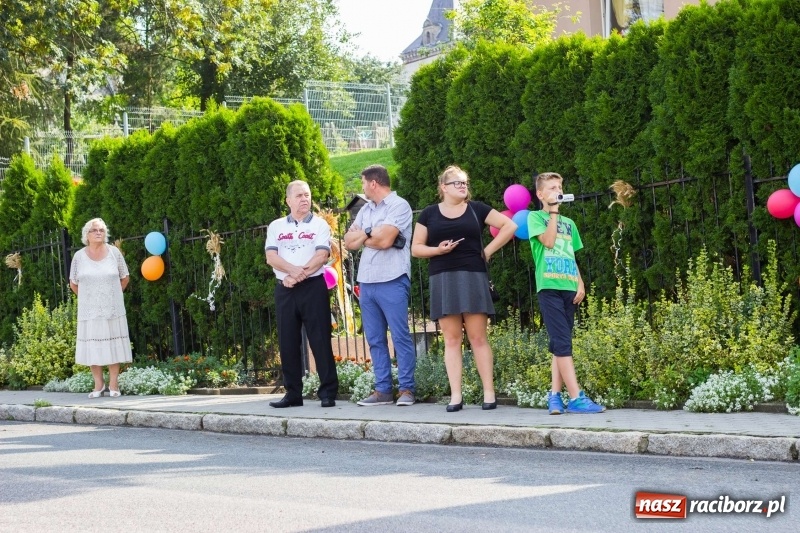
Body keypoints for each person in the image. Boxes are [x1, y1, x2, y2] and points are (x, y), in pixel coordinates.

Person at [411, 165, 517, 412]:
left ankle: (489, 393)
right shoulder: (428, 214)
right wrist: (438, 250)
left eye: (465, 182)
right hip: (442, 277)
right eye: (457, 183)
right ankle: (456, 396)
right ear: (443, 187)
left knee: (478, 337)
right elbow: (416, 248)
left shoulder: (476, 209)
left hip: (473, 275)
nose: (462, 186)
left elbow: (509, 226)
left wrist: (487, 251)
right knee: (451, 339)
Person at [528, 172, 605, 414]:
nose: (557, 190)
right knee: (562, 343)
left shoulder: (569, 224)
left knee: (559, 344)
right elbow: (549, 242)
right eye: (552, 187)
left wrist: (580, 283)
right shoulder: (535, 217)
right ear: (540, 194)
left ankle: (554, 396)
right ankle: (575, 397)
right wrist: (553, 212)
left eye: (559, 186)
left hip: (568, 287)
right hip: (549, 288)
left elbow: (569, 255)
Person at [344, 165, 416, 406]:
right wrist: (369, 233)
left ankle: (407, 390)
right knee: (375, 339)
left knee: (400, 336)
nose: (362, 188)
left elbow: (385, 241)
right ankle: (383, 391)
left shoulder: (399, 206)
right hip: (367, 280)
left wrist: (364, 236)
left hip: (393, 278)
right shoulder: (365, 210)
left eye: (363, 183)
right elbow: (348, 242)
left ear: (373, 183)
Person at [265, 180, 339, 408]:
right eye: (298, 195)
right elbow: (271, 257)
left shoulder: (319, 225)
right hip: (285, 289)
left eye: (307, 195)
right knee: (287, 341)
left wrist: (298, 275)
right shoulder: (276, 226)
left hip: (313, 287)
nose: (304, 199)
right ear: (288, 200)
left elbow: (321, 256)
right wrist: (291, 273)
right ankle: (293, 394)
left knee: (320, 339)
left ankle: (327, 393)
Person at [69, 218, 132, 398]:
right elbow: (73, 283)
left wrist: (114, 296)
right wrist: (88, 299)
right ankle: (98, 385)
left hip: (113, 309)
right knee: (93, 346)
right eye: (95, 230)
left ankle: (114, 384)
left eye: (102, 230)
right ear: (86, 235)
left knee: (113, 345)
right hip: (89, 311)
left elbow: (125, 277)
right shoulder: (79, 256)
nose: (99, 233)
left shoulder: (114, 253)